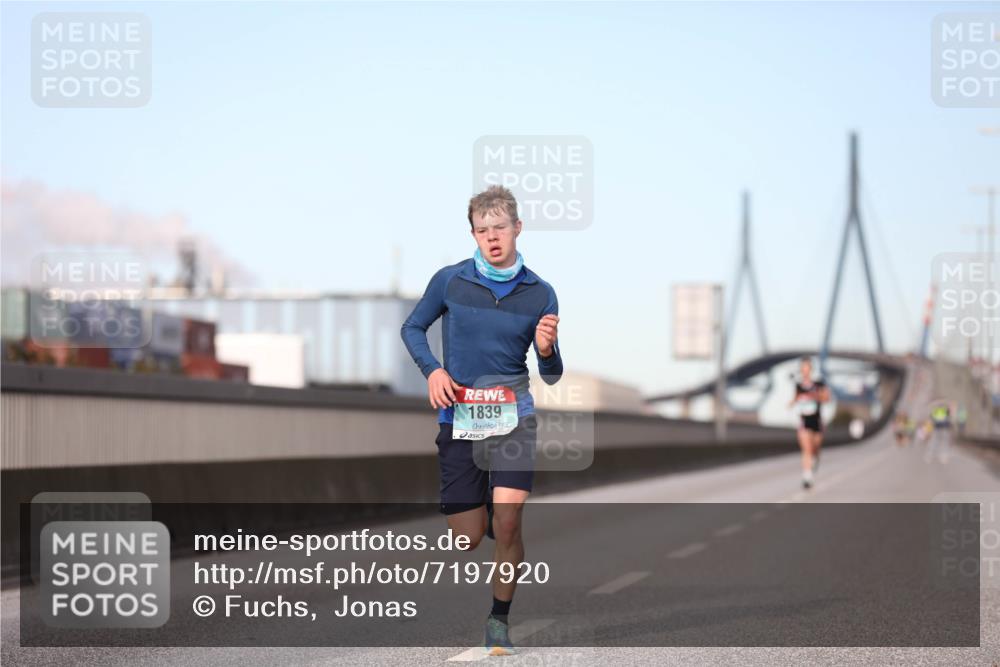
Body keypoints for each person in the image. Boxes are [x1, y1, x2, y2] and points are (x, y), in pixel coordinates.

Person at [400, 185, 563, 656]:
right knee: (469, 539)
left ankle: (498, 620)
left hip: (514, 416)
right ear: (473, 232)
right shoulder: (450, 281)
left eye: (500, 228)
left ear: (517, 228)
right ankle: (490, 514)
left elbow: (550, 375)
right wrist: (433, 370)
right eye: (482, 229)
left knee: (509, 523)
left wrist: (548, 350)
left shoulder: (541, 294)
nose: (492, 237)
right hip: (460, 418)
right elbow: (412, 327)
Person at [788, 357, 830, 489]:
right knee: (806, 449)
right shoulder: (798, 385)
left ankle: (815, 459)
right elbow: (794, 400)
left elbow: (826, 398)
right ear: (801, 370)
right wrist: (793, 402)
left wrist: (814, 395)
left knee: (815, 449)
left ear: (811, 369)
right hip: (803, 420)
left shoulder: (819, 383)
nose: (805, 371)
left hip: (816, 420)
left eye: (807, 368)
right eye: (803, 368)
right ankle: (807, 477)